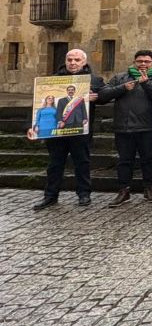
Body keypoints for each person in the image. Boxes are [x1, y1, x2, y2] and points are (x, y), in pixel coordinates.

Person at [29, 49, 104, 210]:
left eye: (77, 60)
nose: (73, 63)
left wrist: (96, 97)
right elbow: (43, 105)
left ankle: (84, 194)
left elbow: (105, 95)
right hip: (57, 130)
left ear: (84, 62)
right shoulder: (53, 81)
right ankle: (50, 195)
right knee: (55, 164)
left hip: (79, 129)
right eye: (70, 59)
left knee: (82, 162)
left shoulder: (95, 80)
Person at [97, 50, 152, 207]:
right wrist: (122, 88)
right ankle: (124, 190)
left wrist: (146, 83)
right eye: (139, 61)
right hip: (124, 126)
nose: (143, 64)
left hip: (147, 126)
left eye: (147, 61)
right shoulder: (121, 77)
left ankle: (149, 188)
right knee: (124, 161)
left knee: (148, 160)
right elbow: (103, 94)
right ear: (134, 62)